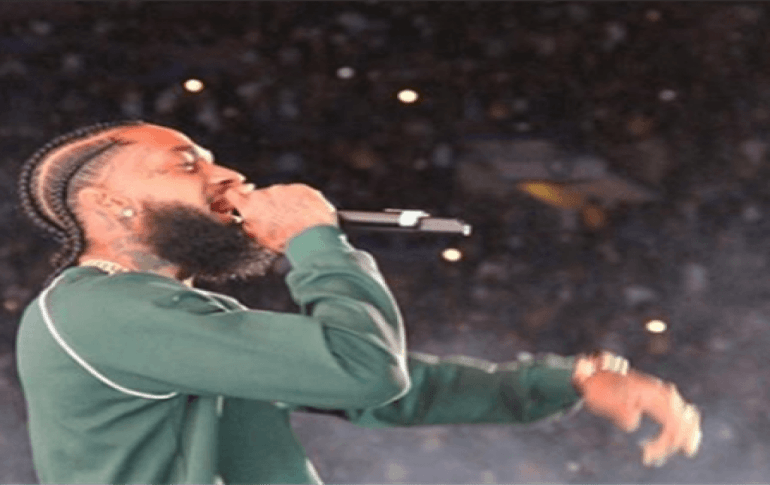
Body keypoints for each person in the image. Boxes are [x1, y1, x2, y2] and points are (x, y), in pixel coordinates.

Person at [15, 121, 702, 485]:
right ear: (110, 203)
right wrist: (314, 242)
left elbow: (399, 391)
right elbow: (363, 370)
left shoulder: (170, 317)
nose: (228, 174)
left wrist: (572, 379)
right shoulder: (95, 312)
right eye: (187, 163)